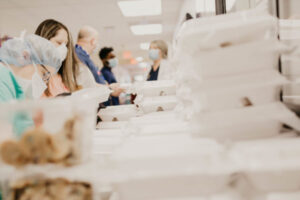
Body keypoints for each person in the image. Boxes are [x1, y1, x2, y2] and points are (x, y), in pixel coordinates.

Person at [0, 34, 64, 101]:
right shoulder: (2, 78)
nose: (44, 84)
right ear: (25, 56)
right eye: (44, 74)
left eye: (47, 80)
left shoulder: (13, 86)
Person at [35, 19, 79, 96]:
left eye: (66, 45)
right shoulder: (33, 76)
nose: (64, 49)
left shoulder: (59, 76)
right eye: (59, 42)